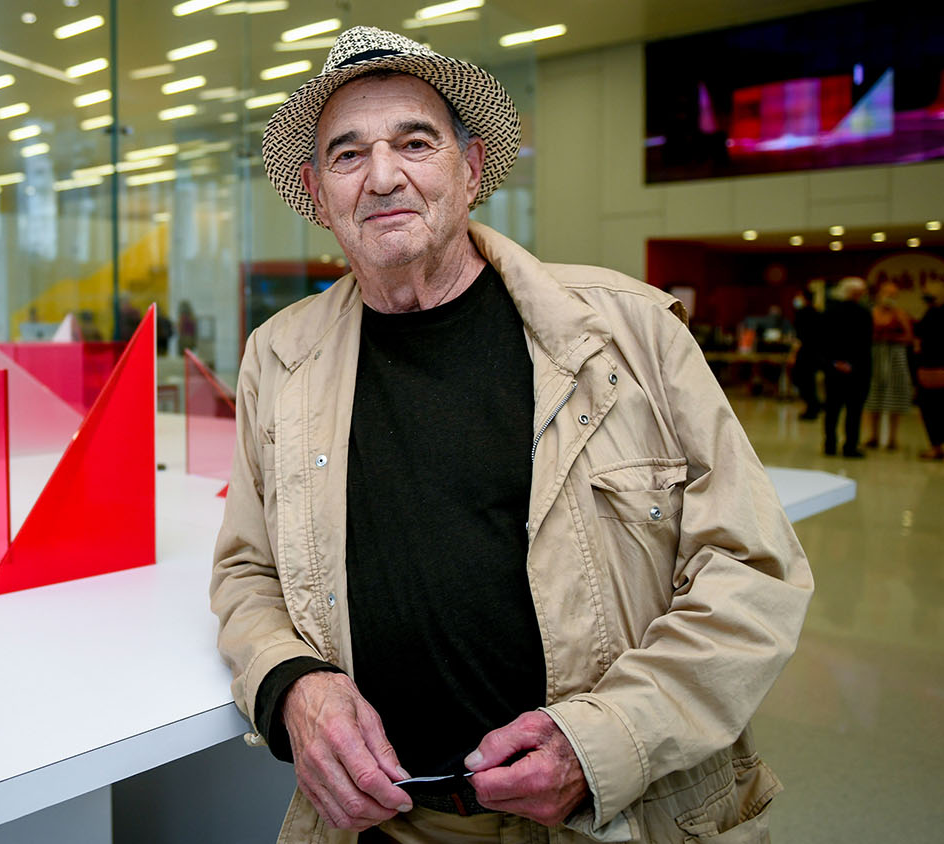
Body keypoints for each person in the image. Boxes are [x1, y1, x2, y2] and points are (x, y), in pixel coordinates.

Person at [209, 27, 812, 844]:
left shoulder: (626, 334)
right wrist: (292, 685)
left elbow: (754, 570)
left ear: (472, 169)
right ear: (319, 195)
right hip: (390, 825)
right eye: (348, 155)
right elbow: (248, 570)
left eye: (415, 142)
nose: (383, 175)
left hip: (618, 816)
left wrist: (600, 741)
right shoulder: (278, 359)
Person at [821, 278, 874, 458]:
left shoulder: (829, 312)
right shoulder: (864, 313)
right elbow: (864, 343)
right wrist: (852, 364)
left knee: (832, 409)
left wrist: (835, 362)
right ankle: (850, 446)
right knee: (854, 410)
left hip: (834, 368)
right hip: (857, 370)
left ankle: (830, 443)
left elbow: (824, 341)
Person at [862, 280, 915, 450]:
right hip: (876, 356)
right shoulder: (872, 314)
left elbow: (909, 338)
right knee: (874, 396)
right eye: (886, 293)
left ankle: (893, 438)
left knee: (895, 398)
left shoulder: (900, 314)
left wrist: (892, 337)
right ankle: (874, 436)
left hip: (895, 357)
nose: (889, 298)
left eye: (892, 295)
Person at [915, 293, 944, 460]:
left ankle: (935, 446)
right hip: (931, 366)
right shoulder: (932, 314)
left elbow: (918, 340)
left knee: (932, 409)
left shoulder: (932, 315)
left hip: (932, 367)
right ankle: (936, 446)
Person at [789, 291, 822, 418]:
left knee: (802, 380)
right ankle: (813, 405)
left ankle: (813, 406)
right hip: (815, 353)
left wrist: (793, 354)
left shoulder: (802, 314)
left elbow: (800, 337)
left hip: (804, 353)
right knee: (809, 381)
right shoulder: (817, 312)